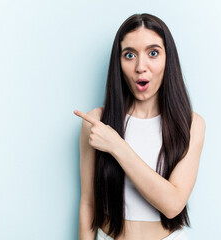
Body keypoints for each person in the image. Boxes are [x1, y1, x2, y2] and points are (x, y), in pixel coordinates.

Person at [74, 13, 205, 240]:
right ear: (119, 62)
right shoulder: (96, 123)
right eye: (129, 55)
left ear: (168, 59)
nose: (140, 67)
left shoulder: (191, 123)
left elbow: (173, 204)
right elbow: (88, 203)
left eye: (153, 53)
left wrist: (117, 146)